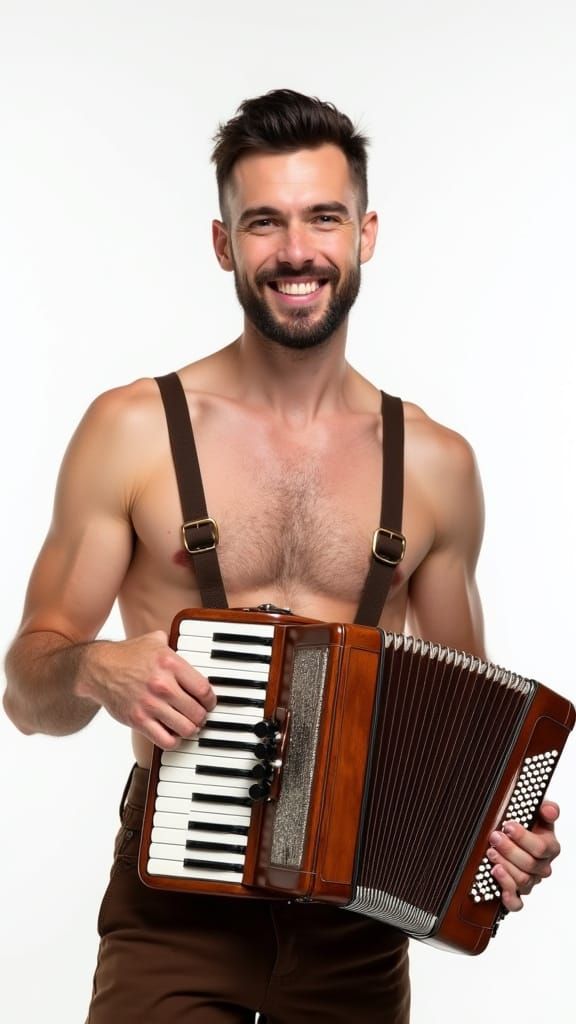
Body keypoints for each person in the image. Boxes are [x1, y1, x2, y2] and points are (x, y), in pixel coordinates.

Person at [3, 89, 561, 1024]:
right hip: (174, 910)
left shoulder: (437, 465)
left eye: (324, 218)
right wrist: (96, 667)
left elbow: (471, 742)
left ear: (365, 234)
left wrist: (505, 845)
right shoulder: (132, 430)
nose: (296, 251)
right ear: (224, 243)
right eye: (264, 222)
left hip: (356, 930)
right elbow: (27, 693)